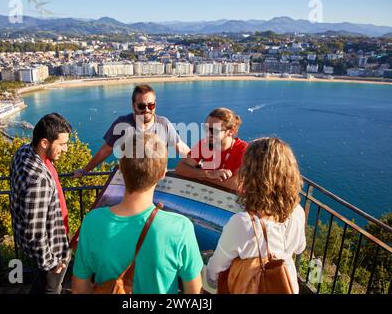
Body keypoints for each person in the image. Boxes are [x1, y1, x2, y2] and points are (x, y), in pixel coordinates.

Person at [72, 133, 203, 294]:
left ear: (120, 169)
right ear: (163, 173)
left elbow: (79, 288)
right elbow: (194, 291)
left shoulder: (93, 222)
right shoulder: (180, 228)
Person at [206, 137, 306, 294]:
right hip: (286, 285)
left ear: (251, 174)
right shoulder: (298, 211)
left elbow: (215, 271)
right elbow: (300, 247)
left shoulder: (243, 222)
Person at [10, 113, 72, 294]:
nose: (66, 149)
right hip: (52, 246)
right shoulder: (38, 180)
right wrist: (50, 262)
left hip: (44, 244)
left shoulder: (23, 152)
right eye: (62, 144)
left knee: (42, 285)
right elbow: (35, 231)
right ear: (44, 143)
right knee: (52, 289)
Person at [74, 84, 189, 177]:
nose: (147, 110)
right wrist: (84, 171)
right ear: (133, 106)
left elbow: (181, 148)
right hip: (131, 187)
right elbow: (105, 151)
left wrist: (200, 165)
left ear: (155, 104)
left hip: (157, 184)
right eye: (141, 106)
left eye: (151, 105)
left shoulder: (164, 124)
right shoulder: (122, 124)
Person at [175, 108, 248, 190]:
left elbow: (237, 184)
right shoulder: (204, 144)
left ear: (231, 131)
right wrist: (207, 174)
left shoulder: (244, 150)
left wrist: (204, 177)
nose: (208, 134)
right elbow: (180, 168)